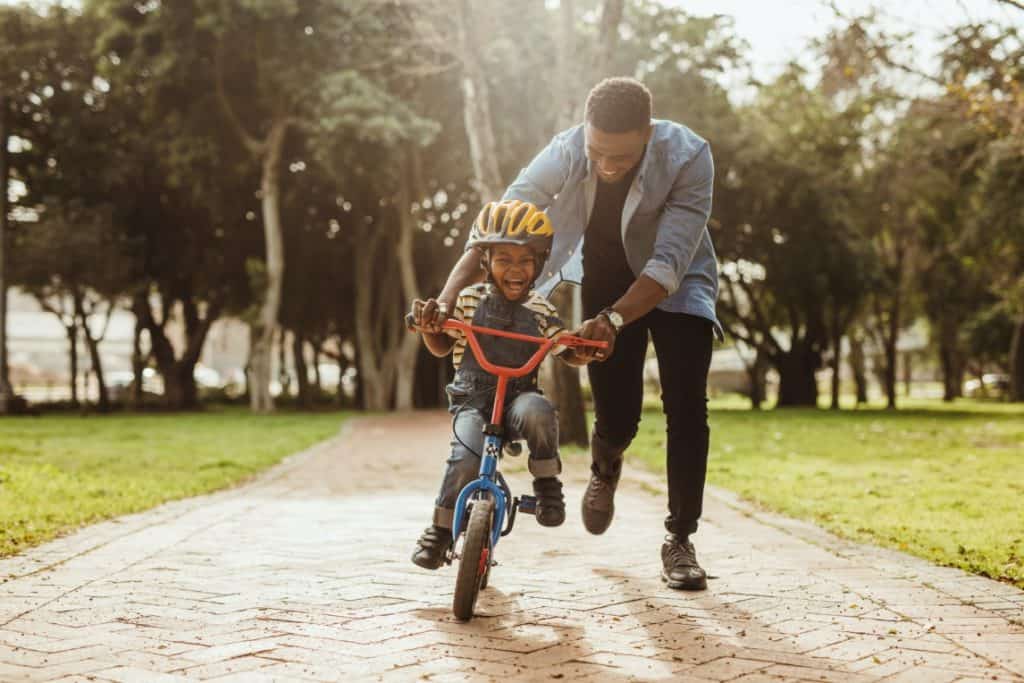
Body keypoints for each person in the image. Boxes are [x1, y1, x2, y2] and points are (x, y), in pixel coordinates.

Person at [419, 77, 721, 590]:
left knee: (687, 406)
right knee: (618, 415)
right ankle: (606, 464)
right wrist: (446, 298)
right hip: (606, 278)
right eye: (597, 152)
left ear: (648, 133)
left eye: (621, 157)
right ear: (586, 131)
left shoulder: (689, 157)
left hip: (678, 283)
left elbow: (668, 262)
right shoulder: (565, 150)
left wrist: (615, 321)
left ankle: (680, 539)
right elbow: (499, 225)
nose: (606, 165)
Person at [408, 200, 590, 570]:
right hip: (472, 402)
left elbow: (562, 346)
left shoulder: (540, 308)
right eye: (503, 258)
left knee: (539, 412)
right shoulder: (468, 300)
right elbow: (443, 344)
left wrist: (581, 350)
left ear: (539, 263)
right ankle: (440, 531)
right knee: (465, 456)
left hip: (518, 399)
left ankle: (546, 484)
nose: (516, 269)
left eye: (525, 260)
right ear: (485, 262)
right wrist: (430, 330)